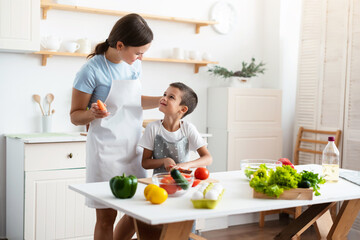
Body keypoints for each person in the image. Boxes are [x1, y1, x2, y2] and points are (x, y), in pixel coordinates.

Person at [70, 13, 160, 240]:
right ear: (120, 45)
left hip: (133, 147)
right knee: (106, 217)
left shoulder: (132, 67)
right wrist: (91, 113)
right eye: (138, 52)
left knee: (137, 212)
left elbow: (132, 102)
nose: (140, 58)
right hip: (105, 151)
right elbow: (74, 116)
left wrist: (163, 101)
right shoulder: (90, 70)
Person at [139, 82, 212, 174]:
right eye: (164, 94)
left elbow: (208, 158)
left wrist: (187, 165)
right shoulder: (152, 127)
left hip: (182, 181)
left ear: (183, 109)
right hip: (160, 183)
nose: (163, 98)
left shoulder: (188, 128)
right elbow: (145, 163)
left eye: (171, 97)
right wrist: (165, 161)